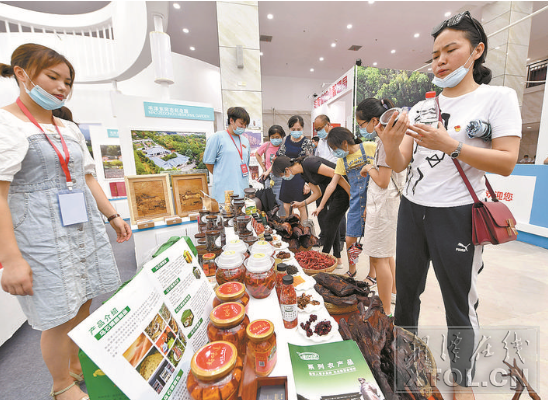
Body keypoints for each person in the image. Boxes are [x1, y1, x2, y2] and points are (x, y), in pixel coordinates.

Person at [379, 11, 521, 397]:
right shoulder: (423, 107)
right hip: (412, 209)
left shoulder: (497, 98)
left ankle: (462, 381)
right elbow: (400, 163)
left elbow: (507, 161)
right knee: (406, 295)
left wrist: (452, 145)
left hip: (457, 215)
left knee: (458, 303)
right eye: (435, 53)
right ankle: (404, 365)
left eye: (450, 49)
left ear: (477, 51)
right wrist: (391, 145)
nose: (439, 59)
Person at [0, 43, 132, 400]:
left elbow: (88, 178)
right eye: (52, 77)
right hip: (40, 230)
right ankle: (62, 387)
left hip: (81, 225)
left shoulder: (67, 127)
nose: (61, 87)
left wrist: (113, 215)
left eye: (67, 81)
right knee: (58, 312)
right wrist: (11, 259)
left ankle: (74, 367)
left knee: (85, 300)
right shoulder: (6, 123)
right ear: (22, 74)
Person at [356, 98, 406, 315]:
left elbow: (383, 180)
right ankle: (393, 294)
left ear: (374, 120)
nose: (361, 128)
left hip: (384, 205)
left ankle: (385, 311)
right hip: (385, 205)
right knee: (386, 256)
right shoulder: (387, 140)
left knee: (379, 259)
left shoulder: (386, 143)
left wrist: (369, 167)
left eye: (361, 123)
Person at [272, 155, 350, 262]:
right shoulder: (303, 174)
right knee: (332, 221)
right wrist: (302, 203)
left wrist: (351, 194)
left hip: (344, 188)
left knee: (329, 221)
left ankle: (324, 257)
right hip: (332, 191)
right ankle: (338, 258)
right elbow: (317, 193)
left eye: (282, 175)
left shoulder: (309, 163)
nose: (284, 178)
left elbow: (337, 175)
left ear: (287, 169)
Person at [324, 127, 376, 275]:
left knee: (372, 241)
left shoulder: (369, 147)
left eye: (335, 148)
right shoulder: (342, 161)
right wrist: (321, 205)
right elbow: (332, 184)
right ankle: (352, 270)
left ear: (345, 143)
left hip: (373, 201)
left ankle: (372, 274)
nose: (335, 152)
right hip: (354, 204)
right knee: (349, 239)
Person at [203, 107, 251, 204]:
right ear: (231, 120)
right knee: (225, 217)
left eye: (245, 125)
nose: (243, 127)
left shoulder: (245, 140)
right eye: (241, 123)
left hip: (242, 190)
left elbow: (246, 163)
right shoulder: (217, 137)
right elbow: (209, 163)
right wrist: (222, 174)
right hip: (224, 193)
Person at [312, 115, 346, 250]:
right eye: (316, 129)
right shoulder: (320, 141)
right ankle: (325, 235)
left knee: (337, 209)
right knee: (321, 208)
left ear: (328, 125)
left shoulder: (338, 137)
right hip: (322, 179)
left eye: (320, 128)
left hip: (338, 177)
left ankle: (341, 238)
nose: (318, 131)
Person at [276, 115, 315, 217]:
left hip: (301, 177)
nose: (296, 131)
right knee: (286, 206)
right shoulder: (285, 140)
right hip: (287, 176)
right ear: (289, 128)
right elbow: (280, 155)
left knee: (301, 206)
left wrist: (307, 183)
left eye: (299, 129)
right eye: (293, 129)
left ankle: (305, 230)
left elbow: (310, 164)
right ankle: (292, 228)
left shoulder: (307, 142)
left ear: (302, 128)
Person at [255, 125, 286, 216]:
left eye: (277, 137)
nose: (275, 139)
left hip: (281, 177)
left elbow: (277, 161)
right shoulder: (267, 145)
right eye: (272, 137)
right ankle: (271, 221)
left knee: (281, 201)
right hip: (269, 178)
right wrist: (263, 167)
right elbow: (257, 154)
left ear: (282, 137)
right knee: (270, 200)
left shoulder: (283, 147)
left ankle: (282, 221)